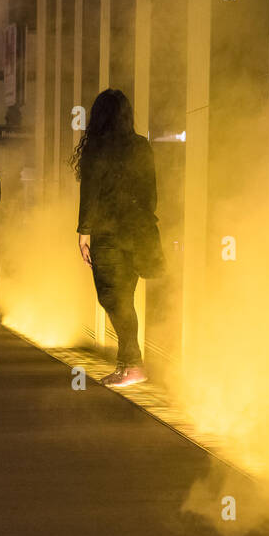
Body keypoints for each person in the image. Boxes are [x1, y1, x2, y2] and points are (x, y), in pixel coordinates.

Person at [72, 88, 159, 387]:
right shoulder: (141, 146)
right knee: (125, 298)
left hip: (107, 233)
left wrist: (84, 232)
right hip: (136, 231)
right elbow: (151, 193)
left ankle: (133, 364)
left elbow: (90, 195)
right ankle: (127, 365)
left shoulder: (97, 148)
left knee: (112, 297)